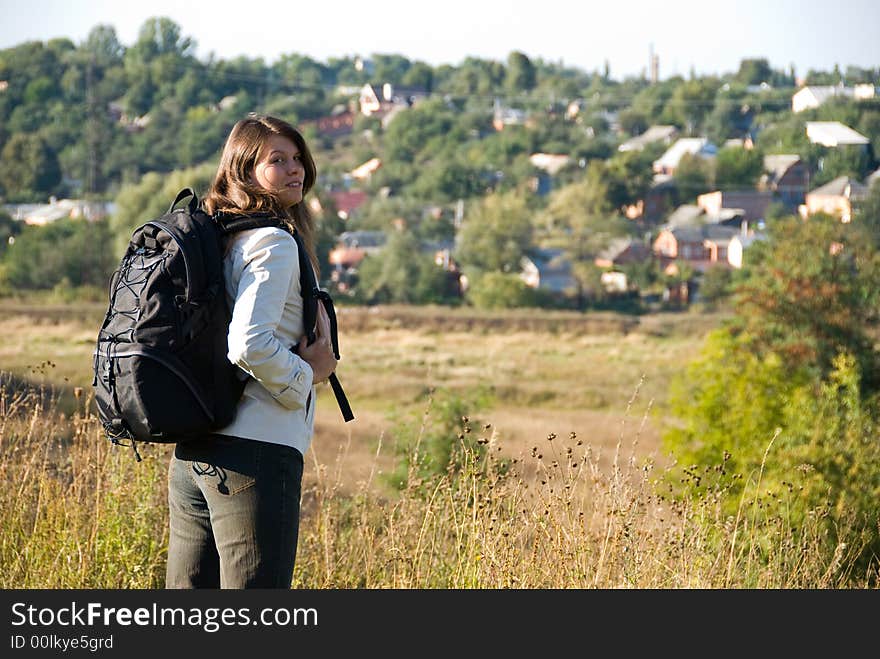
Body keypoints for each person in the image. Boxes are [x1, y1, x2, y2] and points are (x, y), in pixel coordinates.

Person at [165, 114, 338, 589]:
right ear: (243, 169)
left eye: (297, 157)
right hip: (255, 455)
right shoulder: (274, 243)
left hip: (193, 450)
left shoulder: (216, 241)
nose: (295, 169)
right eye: (276, 160)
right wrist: (309, 373)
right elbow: (248, 344)